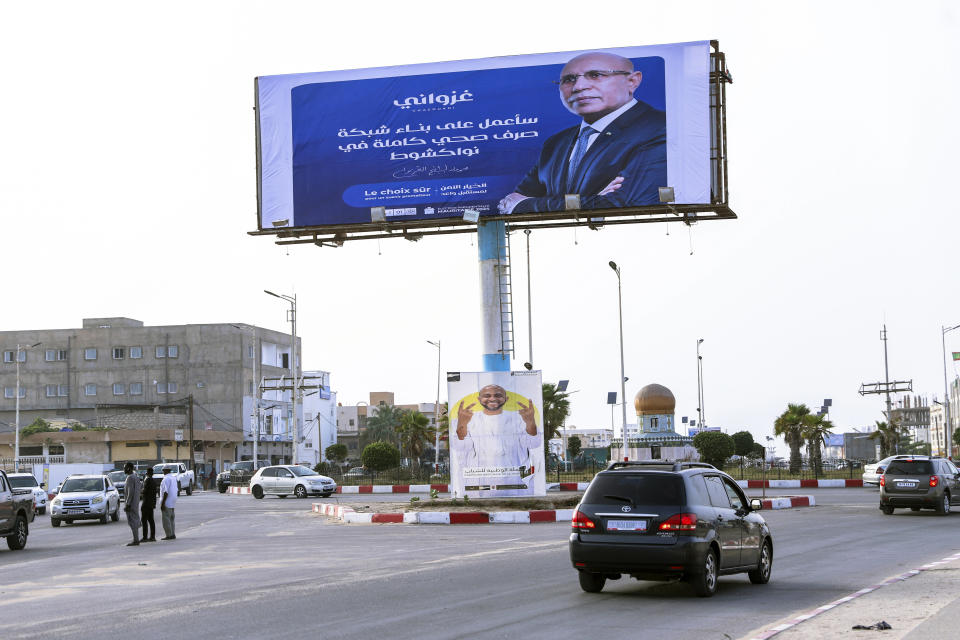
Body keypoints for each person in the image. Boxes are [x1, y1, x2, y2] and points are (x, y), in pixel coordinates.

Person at [498, 51, 667, 215]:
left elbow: (625, 202)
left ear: (632, 81)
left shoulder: (660, 127)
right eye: (569, 79)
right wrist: (592, 200)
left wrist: (527, 205)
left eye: (595, 75)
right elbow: (510, 203)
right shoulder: (556, 143)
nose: (578, 87)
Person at [452, 384, 542, 495]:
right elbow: (461, 446)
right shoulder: (465, 418)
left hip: (514, 483)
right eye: (487, 395)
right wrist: (462, 423)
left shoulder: (520, 417)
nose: (493, 398)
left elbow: (534, 443)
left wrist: (530, 422)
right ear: (479, 399)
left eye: (498, 395)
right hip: (478, 483)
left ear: (506, 399)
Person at [122, 462, 141, 547]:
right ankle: (136, 538)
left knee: (132, 521)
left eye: (125, 468)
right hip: (136, 501)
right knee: (135, 519)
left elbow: (130, 492)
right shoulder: (135, 476)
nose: (124, 469)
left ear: (129, 468)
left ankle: (136, 540)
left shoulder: (130, 478)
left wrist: (127, 504)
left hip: (131, 503)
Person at [159, 466, 178, 540]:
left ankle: (169, 535)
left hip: (167, 502)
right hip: (172, 502)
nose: (163, 472)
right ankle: (172, 534)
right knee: (171, 519)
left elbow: (165, 492)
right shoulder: (173, 478)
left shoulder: (166, 479)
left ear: (166, 470)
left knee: (166, 520)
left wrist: (163, 503)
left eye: (163, 470)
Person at [140, 467, 157, 542]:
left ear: (147, 473)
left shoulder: (147, 480)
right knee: (151, 520)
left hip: (146, 502)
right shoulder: (154, 481)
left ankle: (145, 537)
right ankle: (152, 536)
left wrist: (141, 491)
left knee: (144, 520)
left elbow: (145, 491)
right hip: (152, 503)